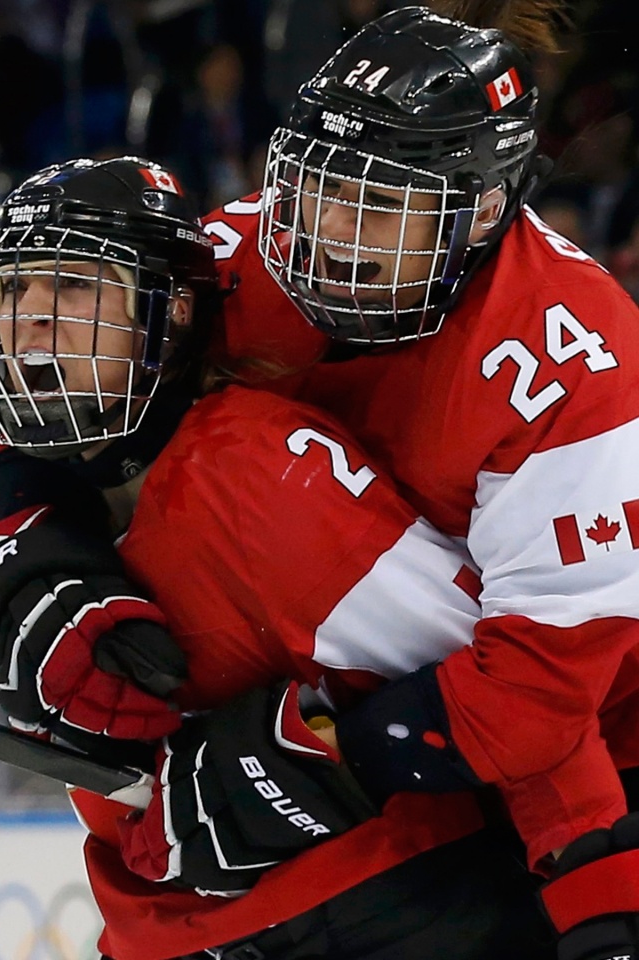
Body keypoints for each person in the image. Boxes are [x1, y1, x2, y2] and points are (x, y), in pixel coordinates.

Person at [0, 157, 555, 960]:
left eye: (77, 285)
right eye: (14, 290)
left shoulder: (258, 477)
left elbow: (519, 697)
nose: (31, 319)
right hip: (175, 931)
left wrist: (338, 757)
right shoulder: (46, 508)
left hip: (389, 917)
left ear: (172, 314)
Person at [198, 2, 639, 958]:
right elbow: (65, 373)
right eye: (318, 189)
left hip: (598, 751)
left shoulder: (573, 355)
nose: (331, 233)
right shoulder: (241, 258)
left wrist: (316, 754)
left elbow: (540, 691)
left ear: (483, 207)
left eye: (383, 202)